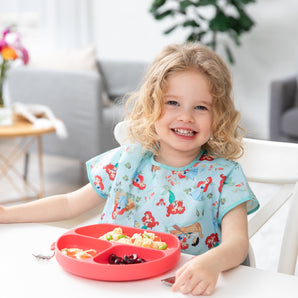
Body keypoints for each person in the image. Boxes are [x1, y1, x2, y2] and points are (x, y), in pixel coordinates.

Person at [0, 43, 259, 296]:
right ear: (151, 105)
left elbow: (237, 244)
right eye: (172, 103)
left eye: (201, 107)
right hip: (113, 282)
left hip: (182, 287)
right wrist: (7, 214)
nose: (186, 117)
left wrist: (210, 264)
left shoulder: (225, 176)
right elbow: (69, 203)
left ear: (219, 116)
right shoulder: (128, 160)